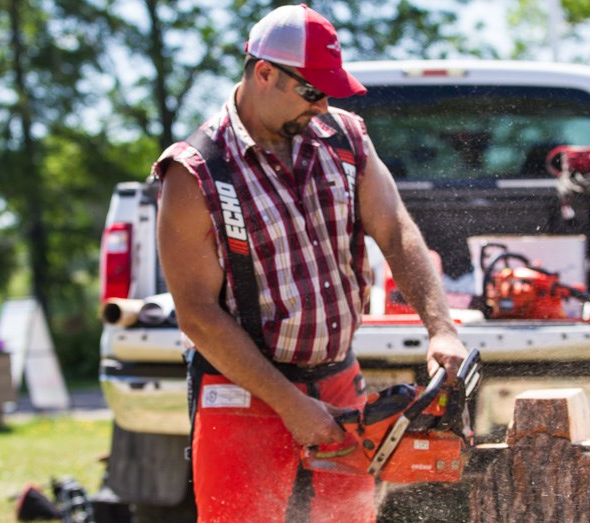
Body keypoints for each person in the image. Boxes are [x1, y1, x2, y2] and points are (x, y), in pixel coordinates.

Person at [154, 4, 468, 522]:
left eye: (329, 93)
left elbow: (395, 230)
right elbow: (197, 315)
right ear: (265, 73)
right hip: (241, 392)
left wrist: (441, 328)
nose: (322, 106)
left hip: (338, 379)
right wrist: (290, 404)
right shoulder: (197, 172)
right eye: (312, 91)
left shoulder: (344, 139)